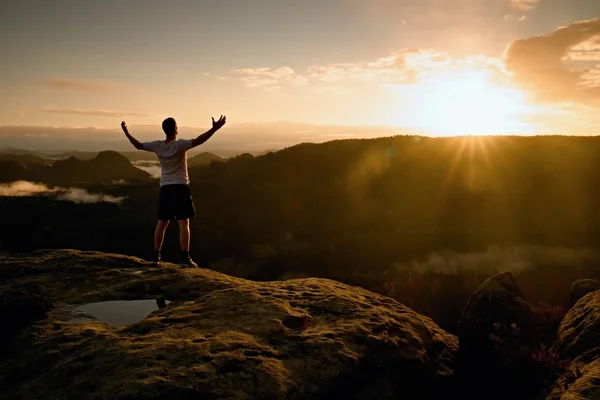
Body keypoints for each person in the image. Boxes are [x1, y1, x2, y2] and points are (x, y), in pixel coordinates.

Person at [120, 115, 227, 267]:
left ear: (164, 130)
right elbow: (200, 139)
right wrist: (214, 129)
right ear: (176, 129)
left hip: (165, 188)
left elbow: (138, 145)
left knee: (162, 223)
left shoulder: (157, 146)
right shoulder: (180, 145)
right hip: (181, 187)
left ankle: (155, 257)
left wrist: (126, 132)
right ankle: (185, 258)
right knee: (184, 224)